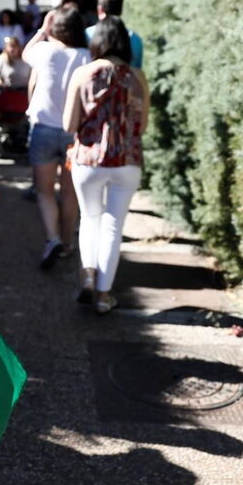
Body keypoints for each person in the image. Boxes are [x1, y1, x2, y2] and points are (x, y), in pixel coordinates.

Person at [63, 16, 150, 314]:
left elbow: (68, 123)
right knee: (113, 225)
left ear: (96, 40)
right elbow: (143, 126)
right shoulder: (138, 77)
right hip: (126, 161)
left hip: (87, 160)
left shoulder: (82, 73)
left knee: (89, 219)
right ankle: (103, 295)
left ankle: (87, 274)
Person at [22, 5, 90, 269]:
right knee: (70, 193)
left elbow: (25, 53)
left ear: (55, 28)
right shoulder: (86, 55)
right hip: (75, 132)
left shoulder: (44, 51)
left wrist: (42, 29)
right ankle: (67, 242)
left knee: (44, 191)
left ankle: (52, 238)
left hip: (44, 130)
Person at [85, 0, 143, 69]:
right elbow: (136, 70)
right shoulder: (135, 38)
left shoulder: (86, 34)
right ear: (121, 10)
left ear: (100, 9)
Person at [0, 36, 31, 154]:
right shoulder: (3, 59)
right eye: (10, 47)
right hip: (8, 94)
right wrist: (0, 82)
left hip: (23, 94)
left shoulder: (26, 59)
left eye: (15, 46)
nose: (13, 50)